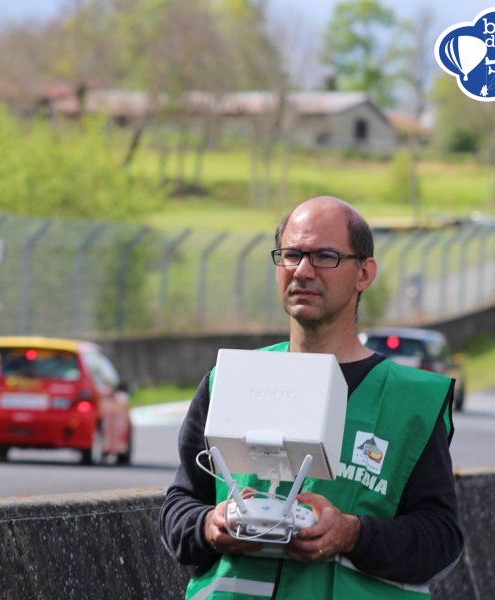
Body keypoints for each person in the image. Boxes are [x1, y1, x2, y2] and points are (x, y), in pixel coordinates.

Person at [159, 196, 464, 599]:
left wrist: (353, 534)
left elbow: (440, 540)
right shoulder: (229, 379)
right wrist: (209, 526)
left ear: (364, 273)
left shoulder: (412, 402)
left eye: (324, 256)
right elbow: (180, 506)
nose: (303, 270)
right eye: (291, 255)